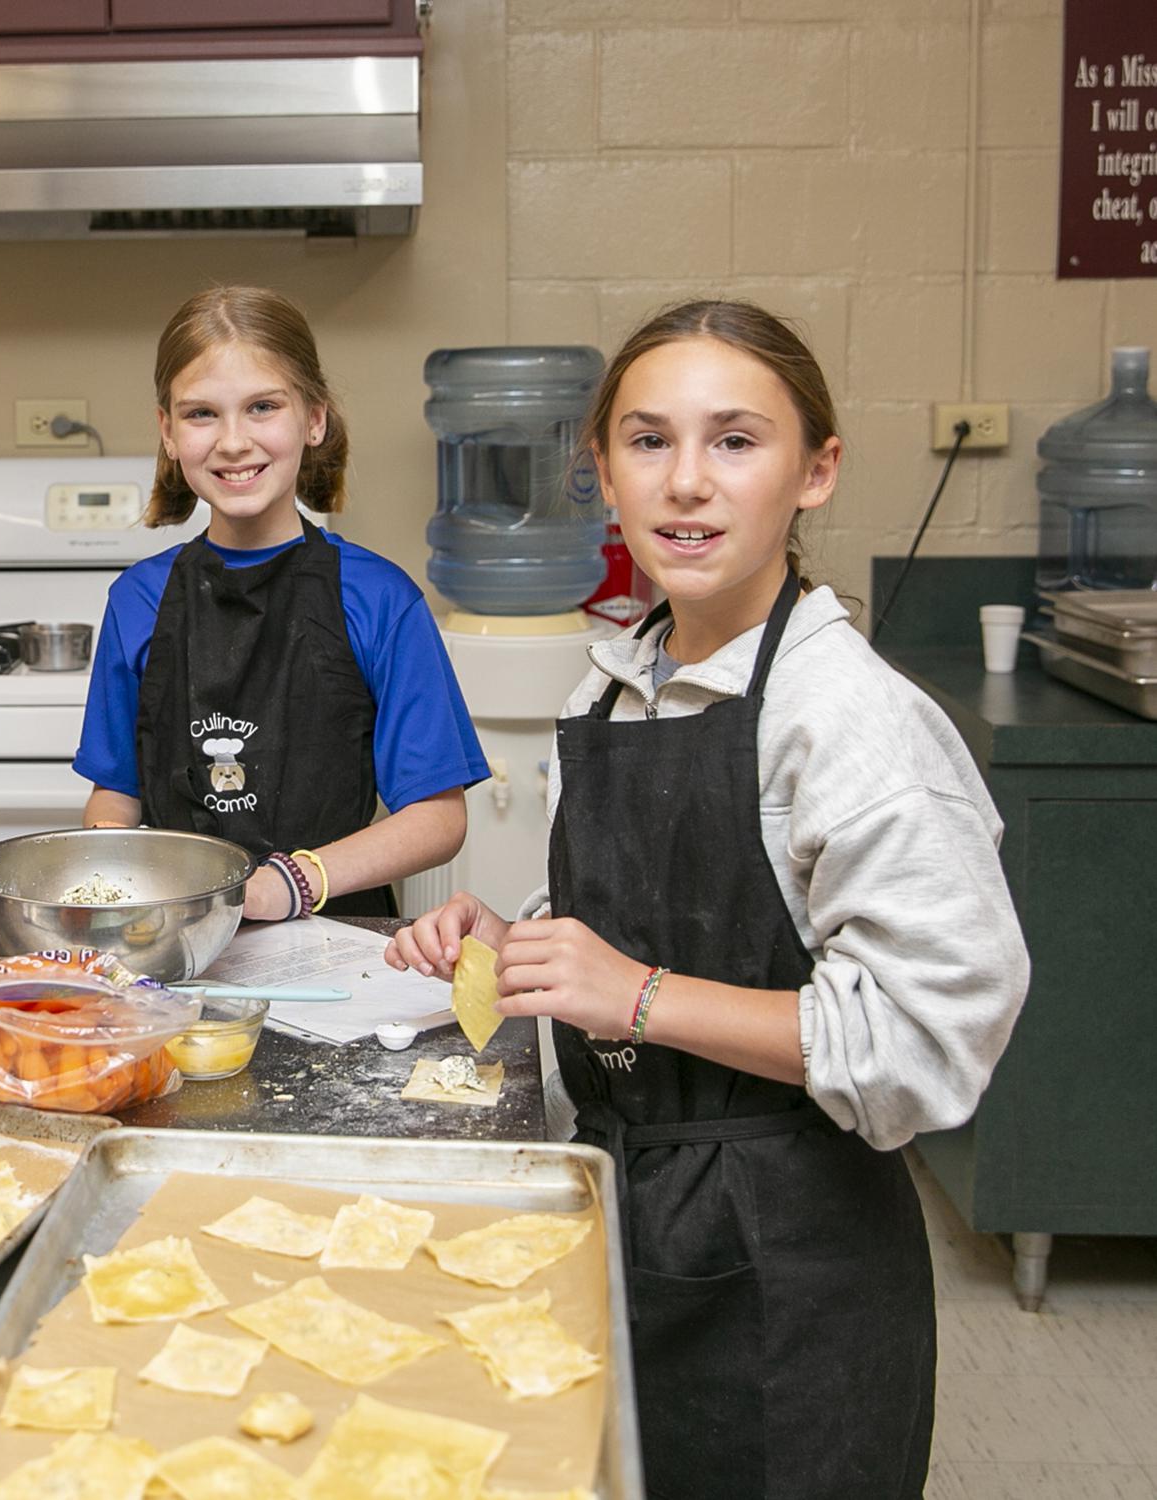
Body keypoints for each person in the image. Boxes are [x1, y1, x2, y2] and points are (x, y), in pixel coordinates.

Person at [387, 300, 1028, 1498]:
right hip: (640, 1209)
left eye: (735, 441)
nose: (686, 484)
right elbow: (661, 903)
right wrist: (519, 936)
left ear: (817, 470)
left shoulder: (852, 721)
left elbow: (923, 1046)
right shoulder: (629, 672)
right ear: (602, 471)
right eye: (647, 441)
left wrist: (632, 996)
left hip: (792, 1261)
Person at [74, 286, 488, 919]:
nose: (233, 441)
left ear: (313, 419)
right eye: (201, 414)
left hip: (343, 936)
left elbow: (437, 817)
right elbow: (116, 794)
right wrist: (114, 889)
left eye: (263, 406)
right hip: (178, 943)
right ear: (167, 431)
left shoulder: (380, 599)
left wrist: (285, 884)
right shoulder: (137, 600)